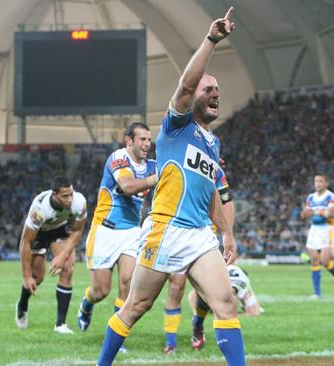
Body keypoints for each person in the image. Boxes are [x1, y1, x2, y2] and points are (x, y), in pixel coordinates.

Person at [96, 7, 245, 366]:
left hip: (198, 235)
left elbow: (210, 192)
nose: (215, 94)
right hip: (165, 229)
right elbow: (186, 85)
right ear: (193, 97)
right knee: (136, 307)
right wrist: (211, 40)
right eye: (208, 89)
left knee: (226, 302)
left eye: (218, 91)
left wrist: (226, 234)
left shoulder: (213, 143)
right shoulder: (175, 127)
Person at [76, 122, 157, 333]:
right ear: (129, 140)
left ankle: (116, 333)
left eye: (149, 139)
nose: (147, 144)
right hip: (105, 230)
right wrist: (155, 179)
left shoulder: (152, 166)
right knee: (100, 290)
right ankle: (87, 303)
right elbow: (127, 186)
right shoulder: (118, 158)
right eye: (142, 139)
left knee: (127, 283)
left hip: (131, 231)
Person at [162, 165, 234, 355]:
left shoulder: (213, 167)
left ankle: (198, 324)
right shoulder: (178, 158)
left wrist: (228, 234)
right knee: (176, 287)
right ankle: (171, 342)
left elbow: (226, 200)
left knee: (211, 292)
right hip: (178, 231)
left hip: (205, 234)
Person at [15, 176, 87, 334]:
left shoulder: (79, 202)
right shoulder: (40, 209)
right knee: (37, 277)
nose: (70, 199)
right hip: (38, 233)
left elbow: (77, 231)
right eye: (65, 196)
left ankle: (60, 324)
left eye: (71, 194)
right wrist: (26, 276)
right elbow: (25, 242)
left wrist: (62, 256)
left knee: (68, 268)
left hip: (58, 230)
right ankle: (22, 305)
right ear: (54, 195)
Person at [301, 174, 334, 298]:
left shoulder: (331, 196)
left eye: (320, 181)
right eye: (316, 181)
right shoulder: (310, 197)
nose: (318, 183)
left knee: (325, 261)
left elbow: (330, 214)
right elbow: (305, 213)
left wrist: (315, 211)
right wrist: (305, 213)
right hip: (314, 229)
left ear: (326, 183)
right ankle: (317, 293)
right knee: (314, 260)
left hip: (327, 229)